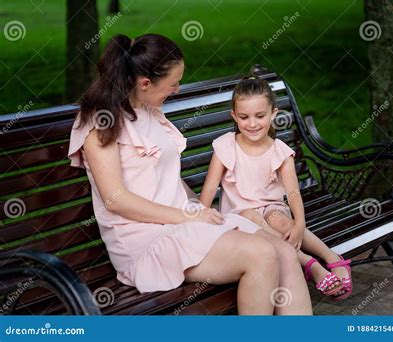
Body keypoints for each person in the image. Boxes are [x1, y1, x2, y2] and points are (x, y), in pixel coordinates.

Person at [67, 33, 312, 314]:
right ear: (145, 84)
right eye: (173, 84)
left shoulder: (147, 108)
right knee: (262, 254)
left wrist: (199, 209)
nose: (177, 90)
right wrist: (188, 216)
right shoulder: (101, 123)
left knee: (284, 251)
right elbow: (117, 200)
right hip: (144, 240)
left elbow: (168, 177)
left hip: (182, 224)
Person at [200, 76, 352, 300]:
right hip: (238, 216)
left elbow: (292, 193)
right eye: (244, 117)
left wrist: (299, 224)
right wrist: (202, 213)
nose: (252, 124)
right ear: (234, 116)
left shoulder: (279, 151)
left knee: (281, 221)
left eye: (260, 116)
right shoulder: (225, 146)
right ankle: (309, 264)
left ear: (273, 113)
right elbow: (210, 187)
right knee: (251, 216)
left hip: (272, 207)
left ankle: (329, 256)